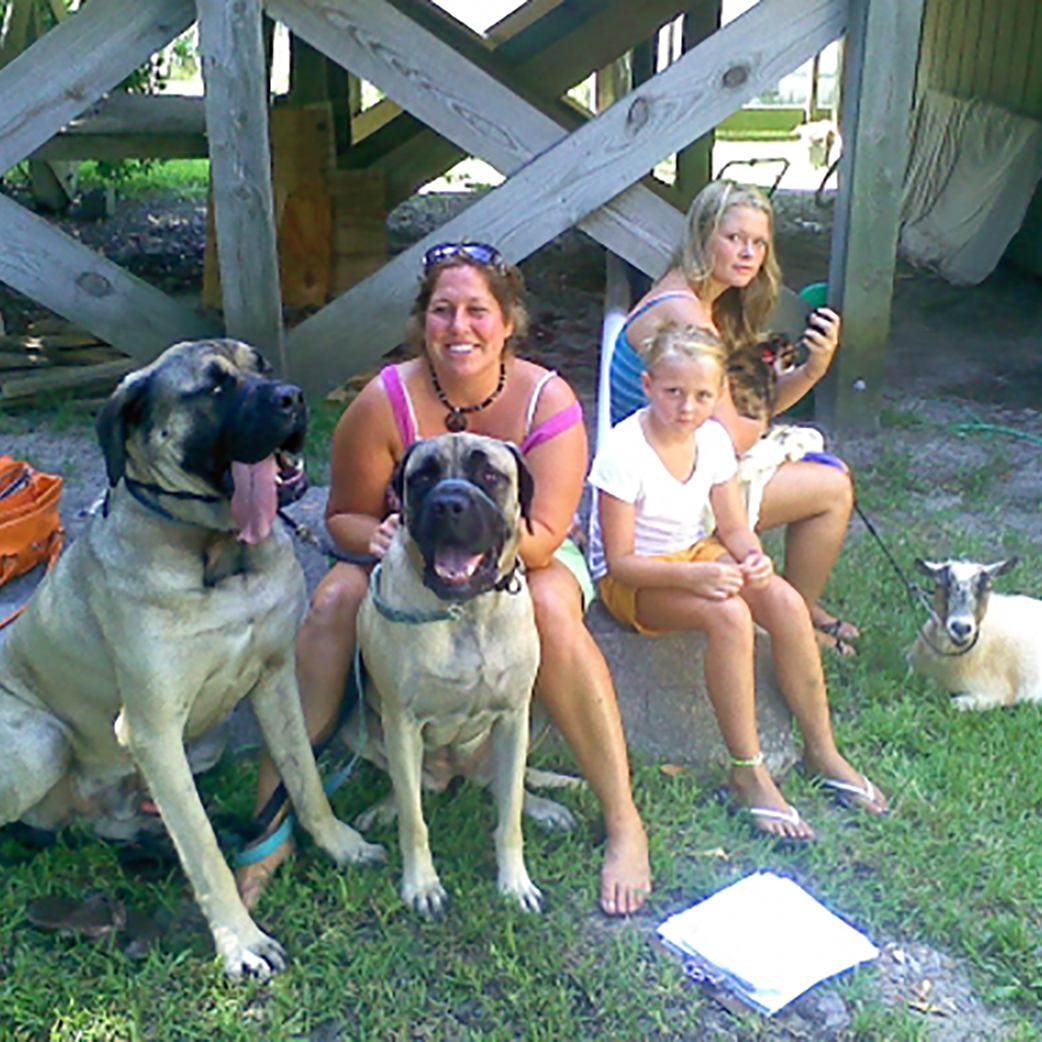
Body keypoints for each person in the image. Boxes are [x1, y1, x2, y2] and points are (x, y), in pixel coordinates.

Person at [235, 242, 650, 916]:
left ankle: (624, 820)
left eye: (477, 311)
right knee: (336, 596)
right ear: (422, 321)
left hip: (526, 557)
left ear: (508, 321)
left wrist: (487, 558)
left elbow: (544, 534)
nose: (460, 327)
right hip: (411, 552)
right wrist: (374, 538)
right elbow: (342, 515)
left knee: (548, 604)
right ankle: (274, 811)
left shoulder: (547, 399)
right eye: (442, 311)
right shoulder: (384, 401)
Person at [590, 322, 886, 837]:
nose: (687, 407)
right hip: (638, 578)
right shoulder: (624, 450)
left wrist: (752, 559)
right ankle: (748, 772)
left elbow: (732, 527)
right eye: (673, 392)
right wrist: (699, 577)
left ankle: (821, 749)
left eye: (703, 395)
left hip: (696, 554)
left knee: (787, 602)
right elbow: (619, 563)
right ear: (648, 386)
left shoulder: (711, 440)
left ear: (720, 392)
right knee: (729, 614)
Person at [610, 179, 860, 656]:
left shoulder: (706, 302)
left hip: (683, 466)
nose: (748, 253)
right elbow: (732, 438)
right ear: (702, 236)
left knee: (829, 472)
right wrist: (763, 385)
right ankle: (792, 624)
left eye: (758, 242)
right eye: (734, 239)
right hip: (664, 495)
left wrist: (812, 369)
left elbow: (743, 419)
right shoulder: (686, 314)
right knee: (832, 488)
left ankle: (796, 608)